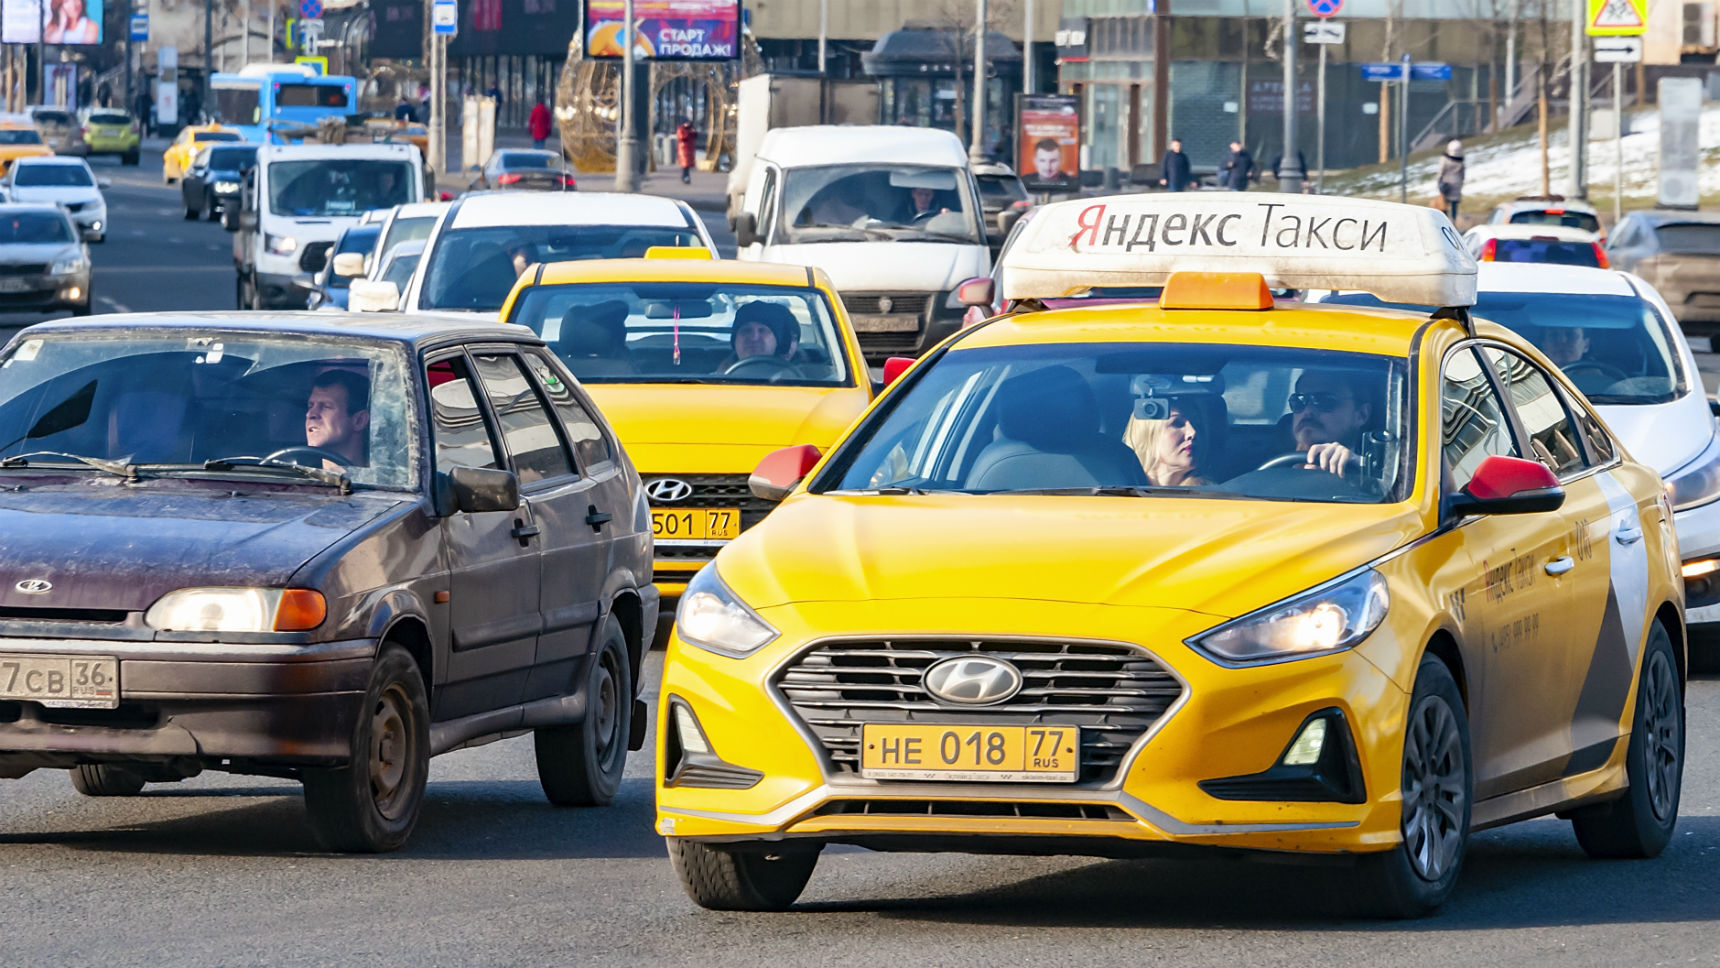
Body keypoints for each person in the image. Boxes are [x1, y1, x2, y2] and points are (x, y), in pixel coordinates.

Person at [1288, 369, 1372, 479]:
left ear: (1361, 415)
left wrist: (1359, 466)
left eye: (1325, 401)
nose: (1307, 411)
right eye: (1299, 401)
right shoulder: (1269, 467)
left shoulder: (1376, 479)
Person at [1122, 403, 1208, 486]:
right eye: (1177, 423)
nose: (1193, 432)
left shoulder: (1211, 496)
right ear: (1148, 434)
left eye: (1197, 423)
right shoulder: (1118, 494)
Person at [305, 370, 371, 470]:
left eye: (326, 406)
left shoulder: (384, 482)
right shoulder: (293, 479)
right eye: (310, 406)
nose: (310, 414)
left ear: (359, 420)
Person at [720, 302, 800, 372]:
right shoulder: (712, 382)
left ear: (777, 341)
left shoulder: (803, 383)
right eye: (746, 330)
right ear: (735, 340)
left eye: (762, 330)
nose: (754, 338)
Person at [1437, 139, 1466, 220]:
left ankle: (1444, 220)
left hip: (1446, 183)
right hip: (1457, 183)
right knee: (1454, 204)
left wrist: (1439, 181)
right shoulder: (1460, 161)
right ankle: (1453, 220)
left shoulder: (1445, 159)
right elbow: (1462, 174)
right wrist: (1461, 182)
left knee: (1444, 203)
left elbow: (1441, 171)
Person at [675, 118, 697, 184]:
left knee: (687, 165)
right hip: (683, 150)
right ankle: (685, 177)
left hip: (689, 149)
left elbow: (695, 136)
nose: (687, 124)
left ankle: (686, 177)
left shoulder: (690, 129)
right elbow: (682, 137)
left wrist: (693, 132)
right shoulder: (681, 129)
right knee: (685, 164)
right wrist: (689, 133)